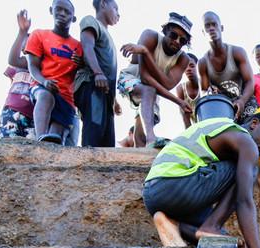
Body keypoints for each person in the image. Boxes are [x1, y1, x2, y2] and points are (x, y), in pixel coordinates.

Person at [141, 113, 260, 248]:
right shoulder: (245, 141)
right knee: (249, 169)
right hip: (174, 184)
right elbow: (244, 201)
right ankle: (211, 226)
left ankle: (173, 224)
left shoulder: (221, 127)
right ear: (254, 124)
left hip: (155, 195)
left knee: (227, 246)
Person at [118, 13, 193, 148]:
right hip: (131, 78)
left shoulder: (183, 59)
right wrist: (178, 101)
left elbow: (169, 84)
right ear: (165, 31)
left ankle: (140, 156)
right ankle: (152, 138)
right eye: (173, 35)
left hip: (153, 89)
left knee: (144, 124)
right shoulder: (150, 36)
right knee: (148, 93)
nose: (177, 41)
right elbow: (144, 77)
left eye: (182, 40)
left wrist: (146, 53)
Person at [24, 0, 83, 145]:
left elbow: (81, 74)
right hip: (42, 85)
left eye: (67, 12)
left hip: (66, 97)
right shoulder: (39, 35)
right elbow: (32, 65)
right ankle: (40, 138)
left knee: (56, 137)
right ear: (51, 10)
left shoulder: (78, 46)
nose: (62, 14)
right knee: (45, 96)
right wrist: (44, 81)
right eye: (59, 9)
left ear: (73, 18)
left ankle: (50, 146)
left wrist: (80, 64)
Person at [75, 0, 120, 147]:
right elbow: (88, 46)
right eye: (115, 9)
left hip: (106, 93)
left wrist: (115, 100)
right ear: (103, 4)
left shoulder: (109, 36)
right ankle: (87, 165)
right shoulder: (91, 21)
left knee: (107, 140)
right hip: (92, 83)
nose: (118, 15)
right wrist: (98, 73)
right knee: (94, 129)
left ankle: (102, 169)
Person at [198, 12, 258, 123]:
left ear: (221, 28)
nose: (211, 28)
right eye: (207, 26)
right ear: (203, 32)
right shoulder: (203, 63)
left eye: (214, 24)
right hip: (223, 108)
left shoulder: (237, 52)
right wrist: (210, 93)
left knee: (252, 133)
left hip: (246, 102)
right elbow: (204, 91)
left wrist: (242, 101)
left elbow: (250, 81)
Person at [0, 10, 35, 140]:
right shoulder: (20, 64)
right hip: (12, 111)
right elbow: (12, 59)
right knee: (9, 146)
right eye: (27, 41)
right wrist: (22, 33)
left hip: (33, 117)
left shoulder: (43, 67)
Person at [175, 53, 200, 128]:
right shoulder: (181, 89)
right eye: (185, 67)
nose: (188, 69)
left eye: (192, 66)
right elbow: (185, 116)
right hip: (195, 127)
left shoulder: (205, 84)